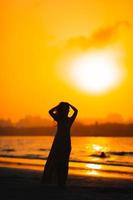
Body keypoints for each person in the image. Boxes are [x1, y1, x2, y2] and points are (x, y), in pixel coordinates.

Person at [42, 102, 78, 187]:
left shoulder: (69, 120)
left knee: (64, 163)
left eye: (68, 110)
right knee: (55, 161)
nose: (68, 111)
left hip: (66, 144)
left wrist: (69, 104)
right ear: (63, 110)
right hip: (58, 143)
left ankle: (62, 182)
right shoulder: (59, 119)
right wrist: (58, 106)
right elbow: (50, 111)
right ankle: (55, 181)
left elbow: (76, 111)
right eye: (67, 109)